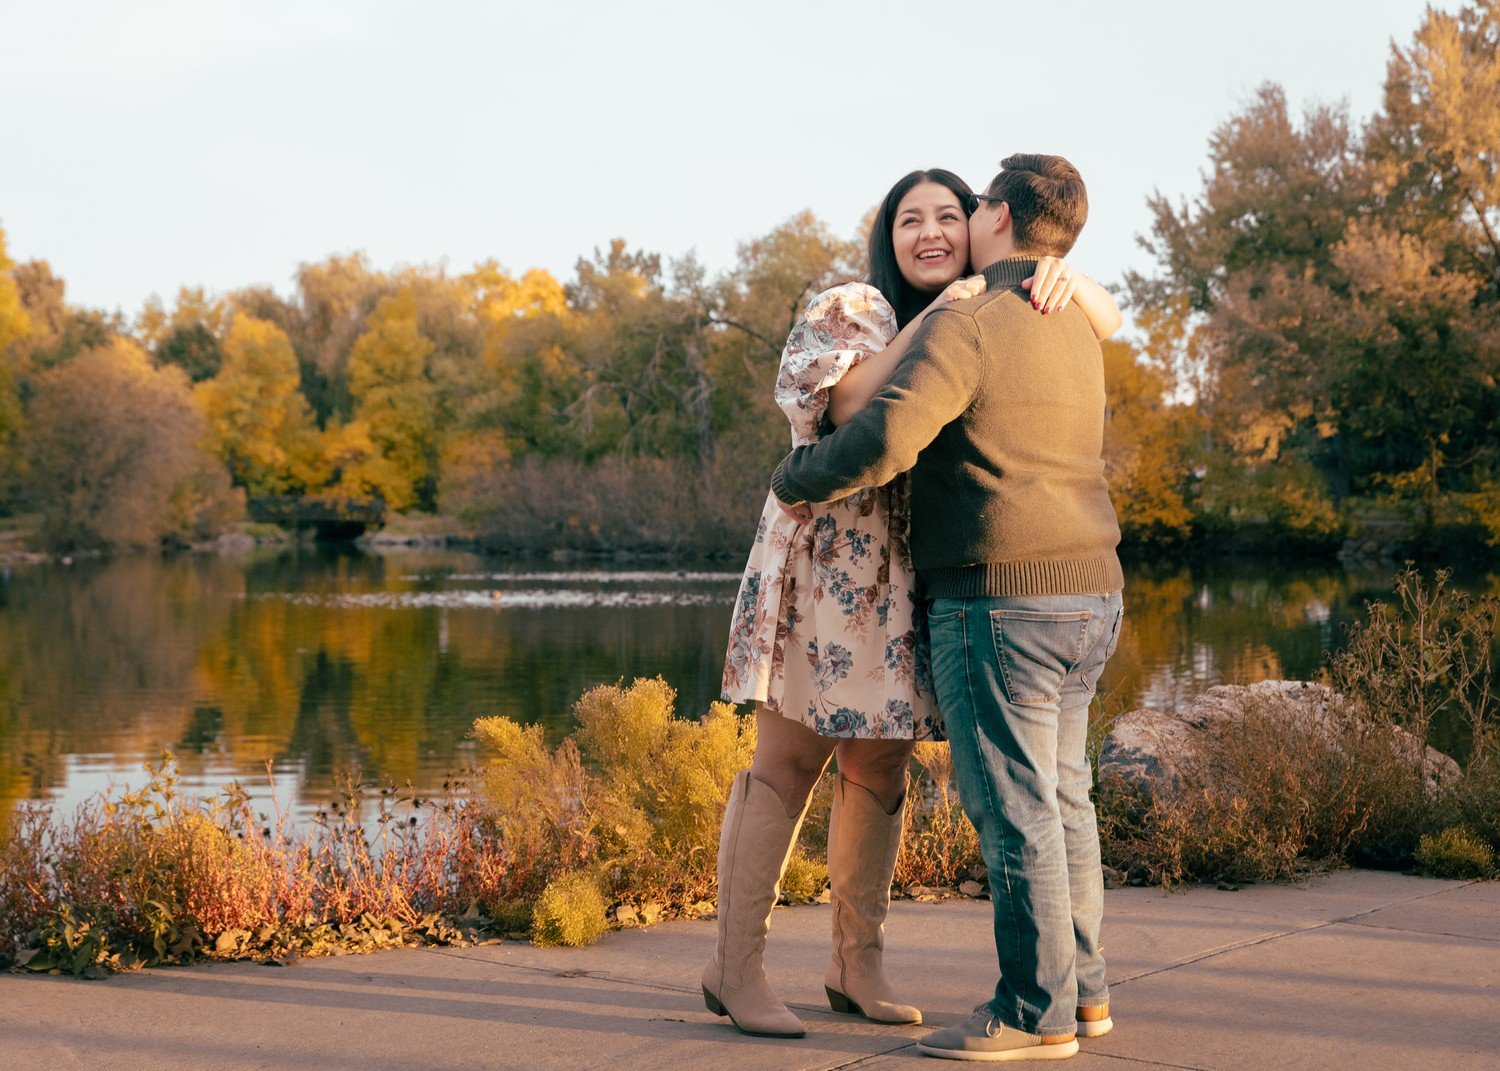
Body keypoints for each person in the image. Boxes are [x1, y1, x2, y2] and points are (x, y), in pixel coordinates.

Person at [704, 167, 1122, 1040]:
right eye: (910, 220)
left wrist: (1068, 279)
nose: (931, 233)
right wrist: (952, 310)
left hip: (907, 576)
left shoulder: (1005, 309)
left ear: (984, 225)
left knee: (881, 768)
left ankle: (857, 964)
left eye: (949, 215)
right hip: (827, 564)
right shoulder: (858, 306)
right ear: (885, 236)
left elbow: (1107, 322)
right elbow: (846, 404)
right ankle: (734, 968)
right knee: (788, 763)